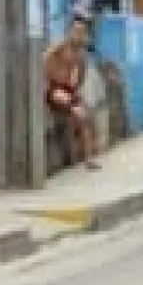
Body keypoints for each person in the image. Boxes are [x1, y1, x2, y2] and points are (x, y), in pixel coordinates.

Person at [43, 15, 100, 170]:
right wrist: (47, 82)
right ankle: (84, 157)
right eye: (76, 31)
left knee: (85, 117)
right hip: (53, 87)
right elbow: (44, 58)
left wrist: (75, 92)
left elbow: (81, 76)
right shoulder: (61, 46)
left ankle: (88, 159)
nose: (78, 35)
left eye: (82, 32)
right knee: (77, 111)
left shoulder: (81, 55)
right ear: (70, 32)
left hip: (67, 89)